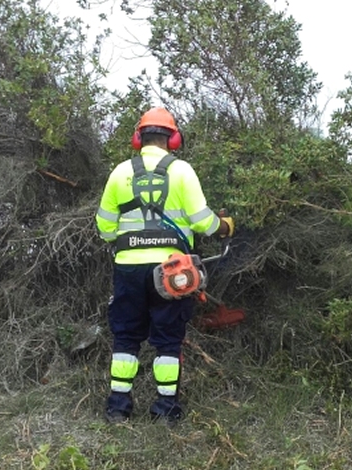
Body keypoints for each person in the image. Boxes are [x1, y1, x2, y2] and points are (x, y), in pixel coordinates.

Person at [95, 107, 234, 425]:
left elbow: (105, 229)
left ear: (138, 138)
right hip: (172, 272)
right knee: (168, 340)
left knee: (126, 337)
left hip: (128, 268)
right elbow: (203, 222)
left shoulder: (119, 173)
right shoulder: (182, 171)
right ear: (174, 139)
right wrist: (226, 226)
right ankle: (165, 411)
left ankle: (118, 408)